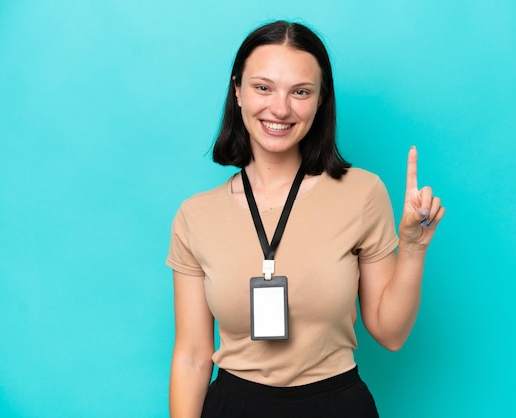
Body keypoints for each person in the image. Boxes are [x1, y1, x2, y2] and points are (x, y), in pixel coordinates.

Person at [166, 20, 445, 418]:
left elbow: (391, 333)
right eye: (263, 87)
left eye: (300, 92)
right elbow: (193, 356)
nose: (280, 108)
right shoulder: (195, 216)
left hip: (337, 404)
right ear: (238, 91)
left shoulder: (362, 193)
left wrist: (414, 249)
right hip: (234, 406)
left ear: (319, 100)